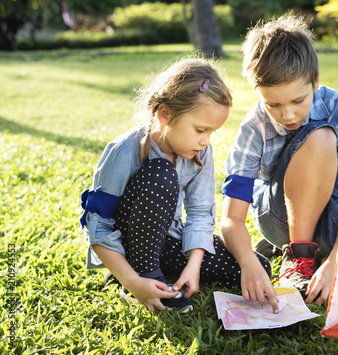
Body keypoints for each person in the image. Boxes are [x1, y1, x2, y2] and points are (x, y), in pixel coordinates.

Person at [80, 57, 272, 313]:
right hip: (126, 245)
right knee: (161, 174)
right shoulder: (124, 150)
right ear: (165, 114)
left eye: (212, 133)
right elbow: (98, 226)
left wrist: (193, 265)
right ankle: (139, 279)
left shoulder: (200, 151)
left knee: (257, 267)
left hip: (166, 238)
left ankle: (163, 271)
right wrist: (132, 281)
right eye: (201, 130)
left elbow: (200, 212)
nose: (206, 141)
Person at [220, 15, 338, 312]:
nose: (287, 115)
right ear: (257, 92)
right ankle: (298, 257)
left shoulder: (336, 106)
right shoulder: (254, 128)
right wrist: (248, 262)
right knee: (321, 137)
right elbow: (232, 218)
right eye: (273, 104)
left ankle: (321, 251)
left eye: (298, 100)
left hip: (336, 220)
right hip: (278, 219)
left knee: (323, 134)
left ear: (315, 81)